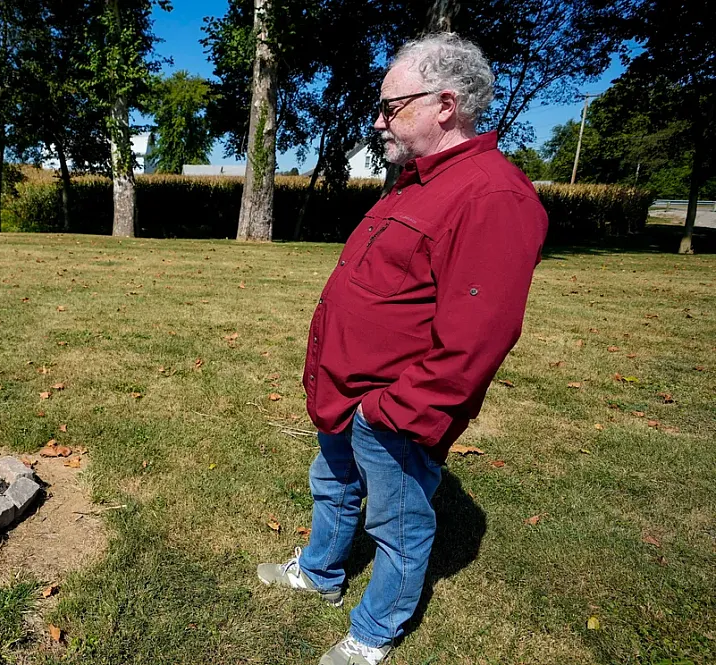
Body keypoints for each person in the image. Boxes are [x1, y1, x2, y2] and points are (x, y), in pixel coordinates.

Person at [257, 33, 548, 665]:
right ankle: (321, 572)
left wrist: (388, 411)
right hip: (345, 389)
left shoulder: (492, 195)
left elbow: (477, 338)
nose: (378, 120)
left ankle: (374, 632)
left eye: (391, 106)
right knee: (332, 485)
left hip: (390, 408)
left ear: (445, 105)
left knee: (398, 525)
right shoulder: (414, 182)